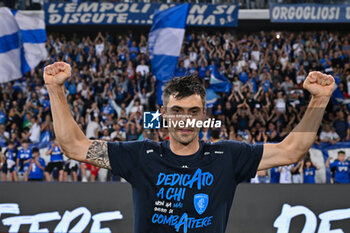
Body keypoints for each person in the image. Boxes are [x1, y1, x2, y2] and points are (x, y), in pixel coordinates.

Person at [44, 62, 334, 233]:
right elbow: (74, 146)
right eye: (177, 110)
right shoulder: (141, 155)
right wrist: (56, 90)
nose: (185, 120)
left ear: (204, 115)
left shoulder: (227, 156)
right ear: (163, 113)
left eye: (194, 111)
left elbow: (291, 150)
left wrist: (319, 100)